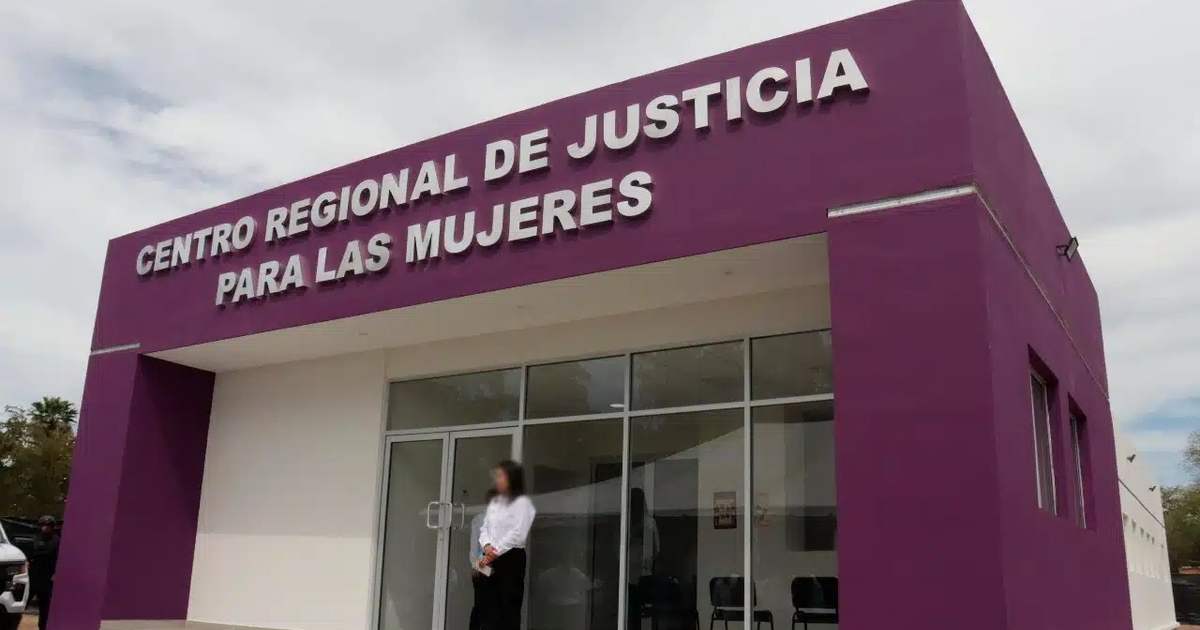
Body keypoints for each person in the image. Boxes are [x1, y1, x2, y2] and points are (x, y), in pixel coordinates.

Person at [478, 460, 535, 630]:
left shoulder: (522, 504)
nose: (497, 480)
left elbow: (517, 533)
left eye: (501, 476)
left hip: (510, 558)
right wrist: (486, 545)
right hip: (490, 557)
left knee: (508, 607)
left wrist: (494, 551)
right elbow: (484, 527)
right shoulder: (495, 503)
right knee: (489, 606)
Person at [626, 488, 659, 630]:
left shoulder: (649, 523)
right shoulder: (626, 523)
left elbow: (656, 549)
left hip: (640, 577)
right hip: (636, 576)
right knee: (633, 614)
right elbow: (657, 550)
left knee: (634, 614)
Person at [468, 488, 499, 630]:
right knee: (481, 609)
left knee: (496, 611)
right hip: (483, 571)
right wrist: (485, 570)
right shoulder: (480, 520)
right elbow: (474, 551)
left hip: (500, 571)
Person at [29, 516, 59, 630]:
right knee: (21, 604)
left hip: (48, 578)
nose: (45, 528)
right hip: (32, 577)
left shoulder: (56, 541)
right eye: (43, 525)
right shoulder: (34, 539)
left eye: (48, 526)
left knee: (45, 609)